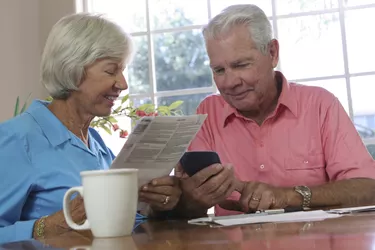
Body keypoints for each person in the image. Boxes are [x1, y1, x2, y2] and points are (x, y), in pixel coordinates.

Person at [173, 4, 375, 217]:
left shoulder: (320, 105)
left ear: (272, 53)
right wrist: (188, 197)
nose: (230, 82)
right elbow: (189, 208)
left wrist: (288, 196)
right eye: (219, 70)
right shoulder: (207, 113)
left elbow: (368, 189)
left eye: (241, 65)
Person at [0, 13, 181, 243]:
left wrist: (159, 205)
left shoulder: (95, 141)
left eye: (122, 70)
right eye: (111, 70)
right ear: (72, 69)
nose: (123, 84)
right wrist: (46, 226)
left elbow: (115, 227)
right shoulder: (16, 139)